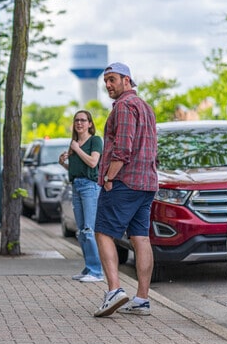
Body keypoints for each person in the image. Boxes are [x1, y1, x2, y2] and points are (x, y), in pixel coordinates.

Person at [93, 62, 158, 317]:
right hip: (146, 183)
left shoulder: (123, 107)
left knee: (103, 232)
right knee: (140, 237)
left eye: (112, 79)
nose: (108, 85)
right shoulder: (146, 107)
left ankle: (114, 290)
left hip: (124, 181)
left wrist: (109, 178)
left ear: (127, 80)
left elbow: (123, 149)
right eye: (105, 81)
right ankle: (142, 300)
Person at [58, 110, 104, 283]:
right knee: (81, 232)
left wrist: (76, 149)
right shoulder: (74, 143)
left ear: (90, 124)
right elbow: (76, 170)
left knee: (89, 230)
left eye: (83, 120)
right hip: (76, 186)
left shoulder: (95, 141)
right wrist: (63, 163)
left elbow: (93, 162)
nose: (79, 123)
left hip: (90, 188)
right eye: (77, 120)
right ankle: (88, 268)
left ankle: (97, 272)